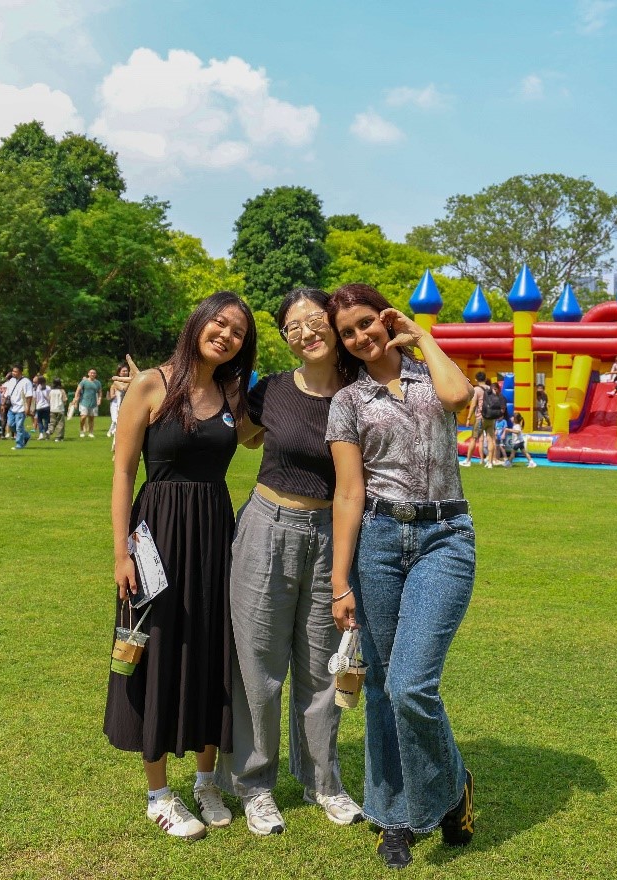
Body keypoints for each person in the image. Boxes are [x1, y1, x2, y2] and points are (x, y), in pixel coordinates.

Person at [325, 283, 477, 870]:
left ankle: (452, 784)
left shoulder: (424, 374)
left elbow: (458, 395)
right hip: (380, 543)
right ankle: (391, 816)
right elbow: (348, 491)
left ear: (385, 318)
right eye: (349, 333)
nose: (362, 337)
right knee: (385, 687)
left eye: (368, 323)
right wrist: (340, 581)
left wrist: (422, 335)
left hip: (445, 537)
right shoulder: (349, 402)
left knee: (413, 683)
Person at [106, 291, 257, 841]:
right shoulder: (152, 383)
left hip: (217, 533)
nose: (226, 334)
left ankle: (206, 781)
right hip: (158, 532)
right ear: (197, 323)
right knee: (159, 650)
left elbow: (272, 434)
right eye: (219, 323)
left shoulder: (233, 396)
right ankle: (158, 793)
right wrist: (122, 552)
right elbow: (123, 471)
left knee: (214, 650)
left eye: (238, 331)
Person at [215, 288, 363, 837]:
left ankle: (325, 782)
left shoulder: (361, 392)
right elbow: (238, 434)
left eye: (314, 320)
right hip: (266, 528)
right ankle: (256, 787)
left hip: (333, 536)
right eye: (292, 326)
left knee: (323, 666)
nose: (306, 331)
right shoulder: (271, 391)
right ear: (285, 338)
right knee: (258, 664)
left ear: (333, 322)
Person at [458, 372, 485, 467]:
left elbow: (473, 405)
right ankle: (482, 460)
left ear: (476, 379)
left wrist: (468, 418)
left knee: (474, 438)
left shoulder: (477, 389)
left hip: (479, 417)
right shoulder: (489, 388)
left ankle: (468, 460)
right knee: (482, 439)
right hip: (489, 417)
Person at [4, 367, 34, 449]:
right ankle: (26, 435)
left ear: (21, 372)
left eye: (15, 371)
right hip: (12, 407)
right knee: (10, 424)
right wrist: (4, 403)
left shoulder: (26, 382)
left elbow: (29, 395)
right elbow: (7, 394)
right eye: (13, 371)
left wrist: (27, 407)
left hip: (21, 408)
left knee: (19, 427)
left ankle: (19, 444)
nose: (13, 373)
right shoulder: (11, 381)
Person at [72, 368, 103, 438]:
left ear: (96, 374)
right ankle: (81, 430)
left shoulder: (98, 383)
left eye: (94, 373)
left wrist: (99, 399)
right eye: (91, 373)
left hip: (93, 403)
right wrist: (76, 398)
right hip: (84, 402)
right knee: (83, 417)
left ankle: (91, 432)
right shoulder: (84, 382)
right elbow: (78, 390)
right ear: (88, 374)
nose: (92, 374)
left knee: (91, 418)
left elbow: (100, 392)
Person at [108, 363, 130, 450]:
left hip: (129, 407)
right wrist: (132, 381)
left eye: (126, 371)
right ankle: (115, 447)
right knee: (117, 425)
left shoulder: (132, 380)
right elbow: (123, 388)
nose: (125, 372)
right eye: (123, 371)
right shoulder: (116, 382)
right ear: (119, 372)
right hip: (118, 407)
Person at [33, 375, 51, 440]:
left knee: (39, 421)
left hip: (39, 406)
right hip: (46, 406)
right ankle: (46, 433)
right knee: (46, 421)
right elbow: (50, 397)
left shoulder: (36, 388)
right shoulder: (48, 388)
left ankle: (41, 434)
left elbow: (35, 398)